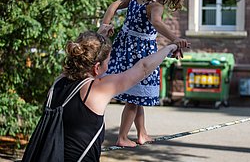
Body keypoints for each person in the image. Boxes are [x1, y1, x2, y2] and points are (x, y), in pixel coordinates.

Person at [27, 31, 178, 161]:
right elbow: (143, 68)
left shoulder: (58, 82)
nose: (109, 65)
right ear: (97, 67)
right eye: (108, 62)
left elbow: (84, 56)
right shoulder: (96, 89)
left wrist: (100, 37)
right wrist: (170, 47)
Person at [97, 0, 189, 147]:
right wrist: (175, 39)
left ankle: (142, 133)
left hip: (124, 49)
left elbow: (114, 5)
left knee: (136, 97)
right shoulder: (156, 5)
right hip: (140, 54)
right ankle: (122, 137)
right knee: (134, 99)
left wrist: (105, 25)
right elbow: (156, 22)